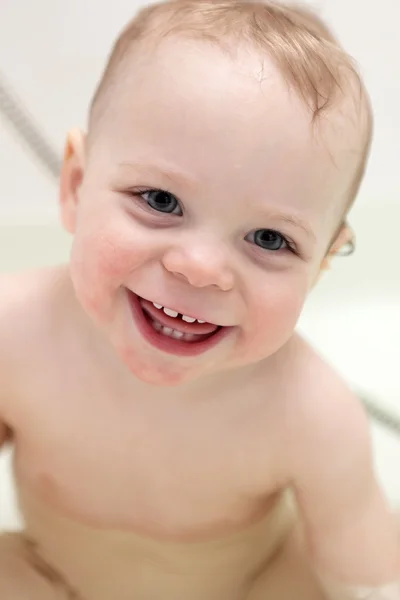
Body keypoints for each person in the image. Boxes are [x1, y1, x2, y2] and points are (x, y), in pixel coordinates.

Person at [0, 1, 398, 598]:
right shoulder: (14, 335)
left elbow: (369, 574)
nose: (202, 268)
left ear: (320, 266)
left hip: (251, 583)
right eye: (160, 200)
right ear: (76, 186)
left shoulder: (310, 415)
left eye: (270, 239)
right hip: (50, 572)